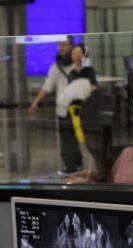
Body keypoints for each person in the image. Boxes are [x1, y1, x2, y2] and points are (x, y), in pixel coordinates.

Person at [28, 36, 82, 173]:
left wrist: (82, 51)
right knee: (66, 139)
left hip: (80, 108)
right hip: (63, 109)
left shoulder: (80, 65)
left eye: (64, 44)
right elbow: (47, 87)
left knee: (81, 137)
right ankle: (70, 166)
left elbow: (88, 57)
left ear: (71, 46)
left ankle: (80, 163)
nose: (61, 47)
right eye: (59, 44)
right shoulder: (56, 67)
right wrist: (36, 102)